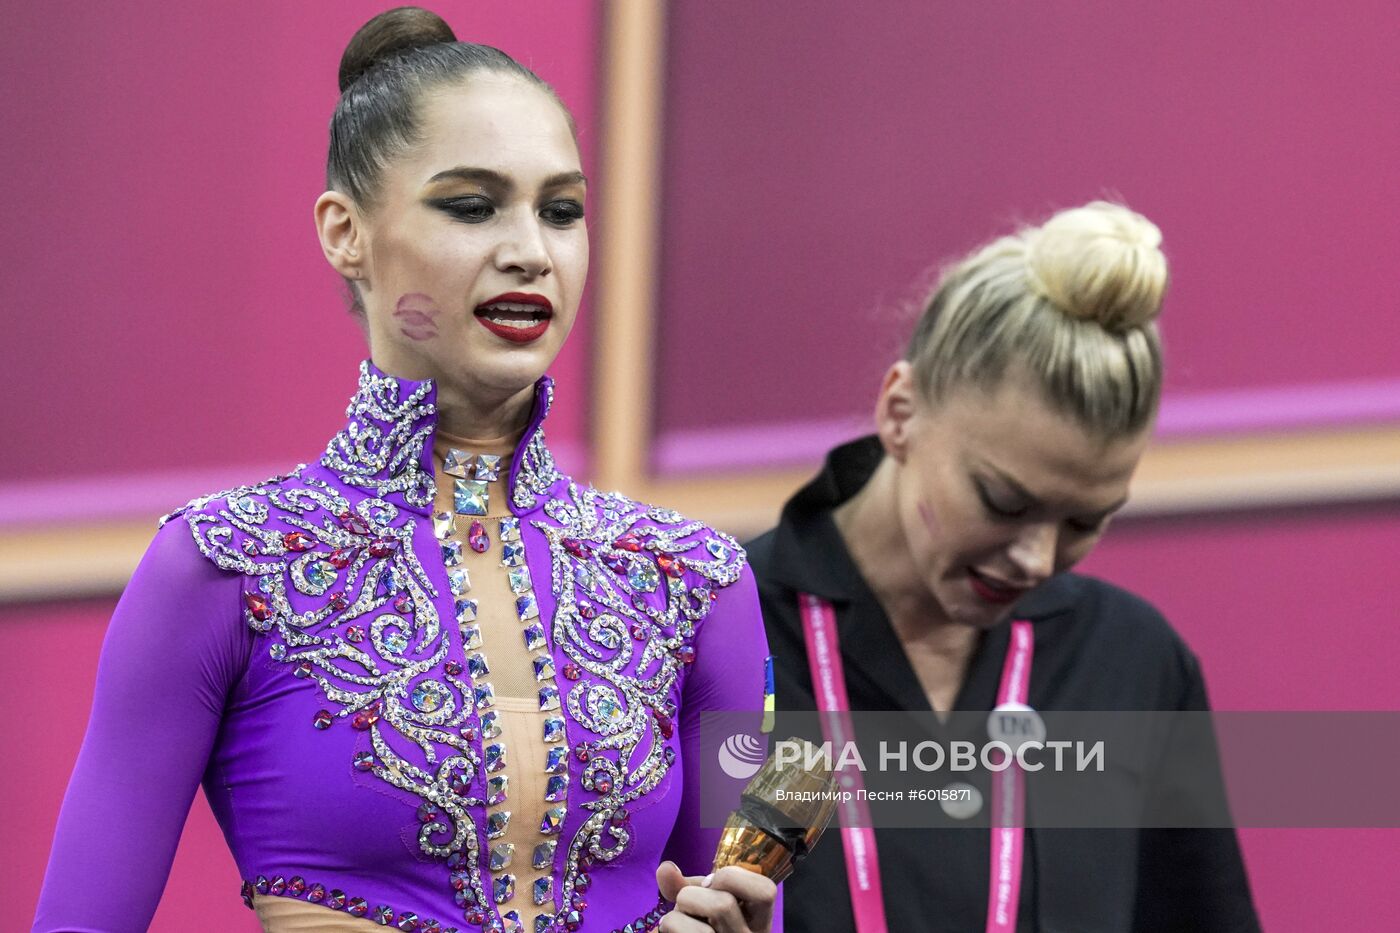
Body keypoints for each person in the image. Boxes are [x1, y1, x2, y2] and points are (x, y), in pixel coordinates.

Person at [34, 9, 776, 933]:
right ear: (346, 232)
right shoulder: (223, 567)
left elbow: (748, 904)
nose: (530, 252)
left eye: (562, 210)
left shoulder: (694, 579)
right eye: (471, 206)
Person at [748, 202, 1261, 931]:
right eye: (1003, 500)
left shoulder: (1133, 663)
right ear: (900, 411)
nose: (1038, 558)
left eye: (1087, 520)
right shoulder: (721, 631)